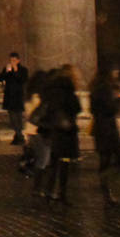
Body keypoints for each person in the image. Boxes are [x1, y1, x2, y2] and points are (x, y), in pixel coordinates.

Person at [33, 64, 82, 203]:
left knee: (54, 162)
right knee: (64, 163)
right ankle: (61, 192)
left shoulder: (51, 89)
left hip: (53, 130)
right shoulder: (67, 90)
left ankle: (48, 190)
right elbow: (75, 107)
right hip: (65, 132)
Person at [88, 65, 120, 206]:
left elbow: (93, 109)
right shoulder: (104, 89)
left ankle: (106, 190)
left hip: (100, 129)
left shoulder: (96, 88)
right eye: (115, 70)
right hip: (107, 130)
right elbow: (111, 109)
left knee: (105, 160)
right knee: (119, 159)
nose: (117, 72)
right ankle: (105, 186)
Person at [0, 52, 30, 145]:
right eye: (11, 60)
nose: (12, 62)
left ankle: (19, 135)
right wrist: (6, 73)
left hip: (18, 96)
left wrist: (16, 71)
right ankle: (18, 135)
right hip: (9, 96)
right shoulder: (7, 69)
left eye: (14, 60)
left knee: (18, 117)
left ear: (18, 60)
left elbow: (23, 80)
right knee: (12, 117)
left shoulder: (23, 70)